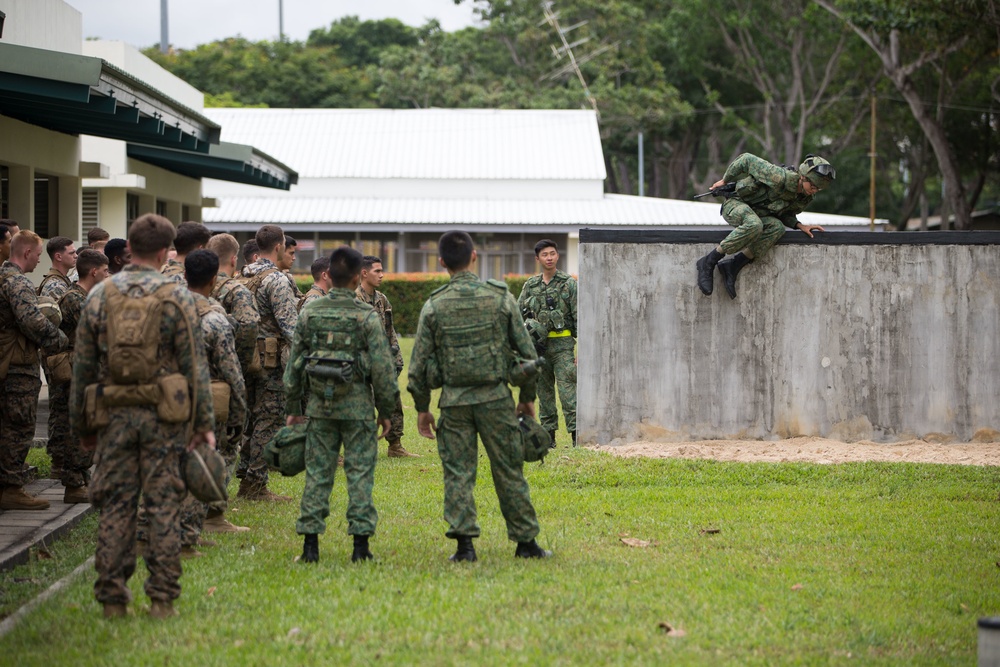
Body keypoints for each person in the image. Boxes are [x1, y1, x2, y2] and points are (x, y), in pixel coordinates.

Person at [69, 213, 214, 620]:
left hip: (113, 416)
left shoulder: (100, 295)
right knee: (164, 504)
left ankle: (112, 598)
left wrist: (83, 427)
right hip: (165, 418)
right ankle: (162, 600)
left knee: (116, 504)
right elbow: (195, 366)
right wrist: (203, 425)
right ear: (168, 252)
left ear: (127, 249)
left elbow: (82, 367)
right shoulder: (177, 295)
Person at [408, 231, 551, 562]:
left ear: (442, 262)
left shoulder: (434, 305)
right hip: (496, 400)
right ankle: (526, 544)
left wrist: (422, 409)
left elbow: (416, 369)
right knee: (509, 469)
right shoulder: (500, 298)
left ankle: (464, 547)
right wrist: (527, 398)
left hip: (454, 403)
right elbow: (527, 354)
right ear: (474, 256)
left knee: (458, 472)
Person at [285, 246, 398, 564]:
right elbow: (382, 369)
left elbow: (294, 366)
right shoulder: (366, 315)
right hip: (359, 408)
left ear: (330, 277)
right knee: (360, 474)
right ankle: (361, 548)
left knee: (318, 475)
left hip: (320, 409)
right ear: (354, 279)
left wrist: (293, 408)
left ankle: (310, 548)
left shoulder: (310, 312)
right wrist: (386, 412)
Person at [696, 153, 835, 299]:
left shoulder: (806, 197)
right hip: (736, 204)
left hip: (758, 213)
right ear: (803, 177)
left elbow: (785, 214)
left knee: (777, 228)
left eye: (818, 189)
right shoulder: (779, 177)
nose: (813, 190)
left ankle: (732, 266)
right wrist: (725, 180)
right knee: (754, 224)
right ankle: (709, 261)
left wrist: (799, 225)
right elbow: (746, 159)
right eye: (812, 186)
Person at [180, 249, 249, 540]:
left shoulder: (166, 310)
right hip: (207, 401)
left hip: (167, 398)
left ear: (184, 276)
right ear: (212, 280)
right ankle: (212, 516)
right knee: (215, 456)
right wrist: (240, 410)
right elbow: (231, 371)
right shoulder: (215, 319)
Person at [0, 230, 68, 510]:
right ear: (27, 253)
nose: (40, 260)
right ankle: (11, 488)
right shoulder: (17, 283)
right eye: (39, 255)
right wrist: (61, 339)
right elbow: (32, 322)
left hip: (8, 362)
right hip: (17, 365)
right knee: (18, 426)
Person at [237, 225, 298, 502]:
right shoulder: (277, 280)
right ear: (277, 247)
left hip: (245, 358)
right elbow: (291, 327)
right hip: (270, 362)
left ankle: (244, 475)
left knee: (250, 418)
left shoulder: (243, 276)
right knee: (268, 420)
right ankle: (255, 484)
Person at [47, 249, 109, 503]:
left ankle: (81, 477)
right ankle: (73, 484)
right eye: (105, 271)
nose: (108, 275)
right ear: (93, 271)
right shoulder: (75, 299)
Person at [355, 255, 419, 458]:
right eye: (377, 271)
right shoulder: (353, 300)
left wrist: (396, 361)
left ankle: (395, 445)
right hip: (363, 364)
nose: (382, 275)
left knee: (392, 402)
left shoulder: (381, 300)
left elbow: (390, 331)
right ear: (364, 273)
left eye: (382, 271)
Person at [517, 240, 578, 447]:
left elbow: (580, 317)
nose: (549, 257)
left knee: (568, 392)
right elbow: (517, 316)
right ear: (538, 259)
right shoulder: (530, 285)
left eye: (553, 253)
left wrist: (583, 351)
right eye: (545, 254)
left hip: (563, 346)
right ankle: (549, 437)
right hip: (538, 349)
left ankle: (576, 436)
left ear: (558, 256)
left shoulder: (569, 284)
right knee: (544, 394)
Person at [205, 233, 261, 379]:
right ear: (233, 259)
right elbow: (249, 325)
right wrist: (239, 364)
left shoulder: (199, 284)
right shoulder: (238, 291)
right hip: (228, 369)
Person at [37, 236, 78, 300]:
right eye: (71, 253)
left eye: (75, 252)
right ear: (58, 257)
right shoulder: (55, 286)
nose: (76, 256)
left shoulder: (63, 279)